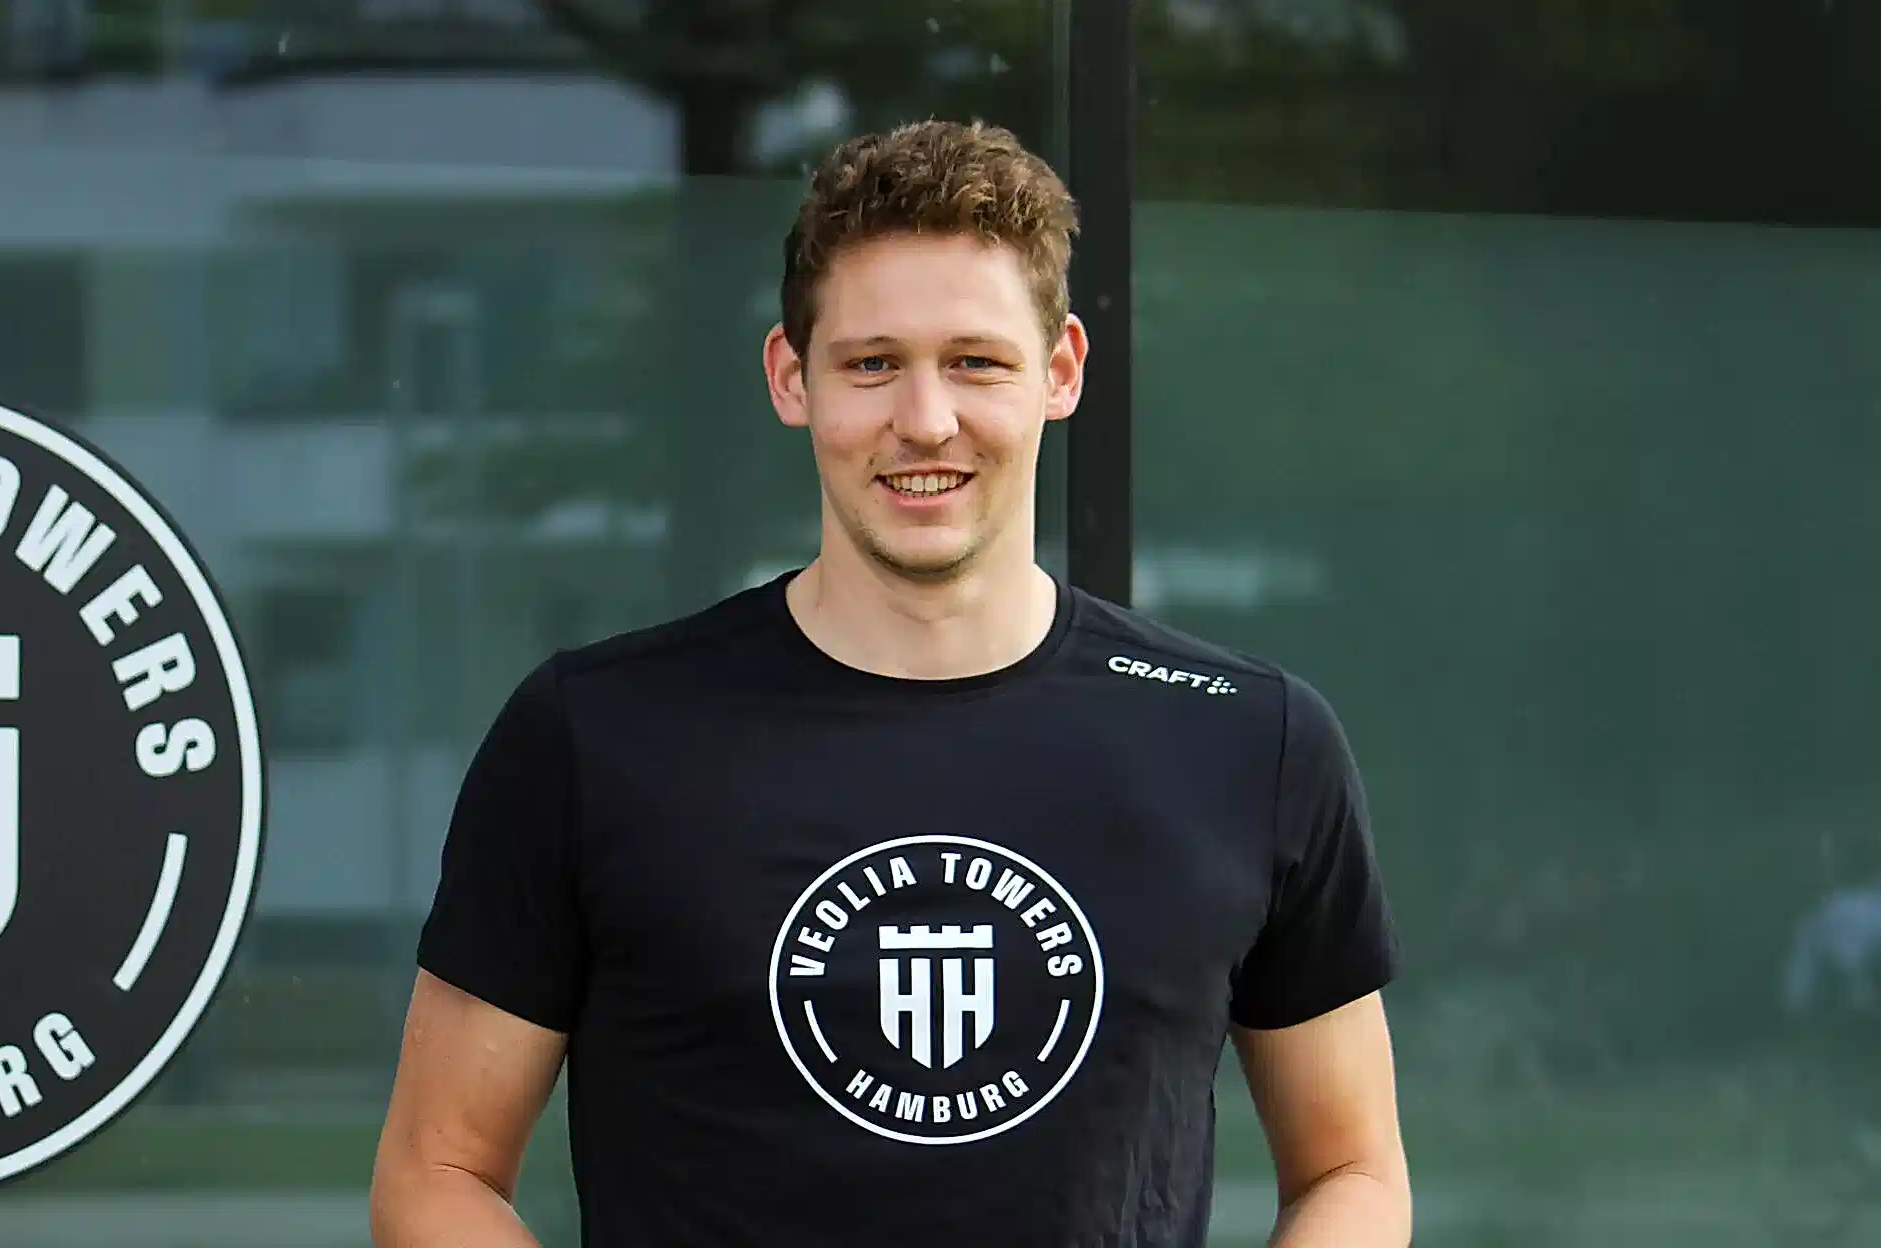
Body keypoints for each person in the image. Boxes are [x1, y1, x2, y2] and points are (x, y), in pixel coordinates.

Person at [369, 119, 1410, 1246]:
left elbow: (1351, 1168)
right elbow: (437, 1173)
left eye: (975, 361)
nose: (924, 421)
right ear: (790, 377)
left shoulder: (1248, 743)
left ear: (1059, 372)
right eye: (871, 364)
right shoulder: (596, 735)